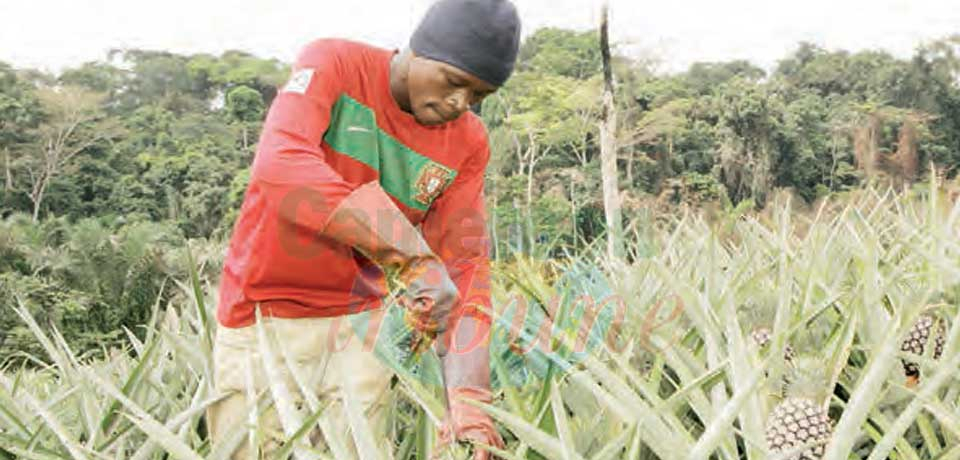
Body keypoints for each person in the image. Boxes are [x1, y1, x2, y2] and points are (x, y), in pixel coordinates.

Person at [205, 0, 522, 459]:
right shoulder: (334, 63)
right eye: (455, 82)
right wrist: (412, 257)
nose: (460, 104)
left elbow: (465, 265)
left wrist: (470, 403)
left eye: (478, 97)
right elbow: (281, 167)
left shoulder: (469, 141)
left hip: (361, 328)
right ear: (418, 48)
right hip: (264, 319)